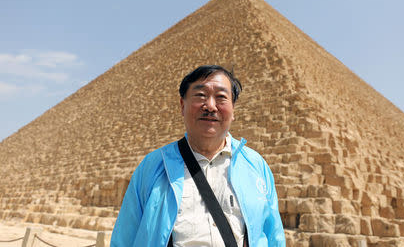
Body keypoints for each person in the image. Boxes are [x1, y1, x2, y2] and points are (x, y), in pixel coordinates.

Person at [111, 65, 285, 246]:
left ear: (233, 109)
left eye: (221, 97)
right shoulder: (154, 166)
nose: (210, 106)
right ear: (182, 105)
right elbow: (125, 237)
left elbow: (273, 236)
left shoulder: (256, 166)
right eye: (201, 95)